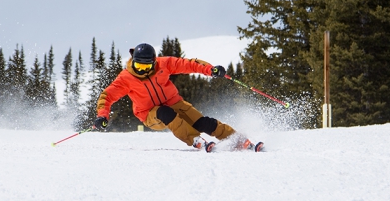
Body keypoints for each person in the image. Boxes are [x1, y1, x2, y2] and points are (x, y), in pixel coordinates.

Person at [93, 43, 263, 152]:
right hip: (150, 114)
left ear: (154, 62)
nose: (143, 71)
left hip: (176, 103)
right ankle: (195, 139)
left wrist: (210, 69)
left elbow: (188, 64)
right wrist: (102, 115)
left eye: (147, 66)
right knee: (164, 112)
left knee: (204, 123)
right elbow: (107, 96)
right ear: (133, 62)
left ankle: (238, 139)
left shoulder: (163, 64)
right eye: (139, 66)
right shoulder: (126, 78)